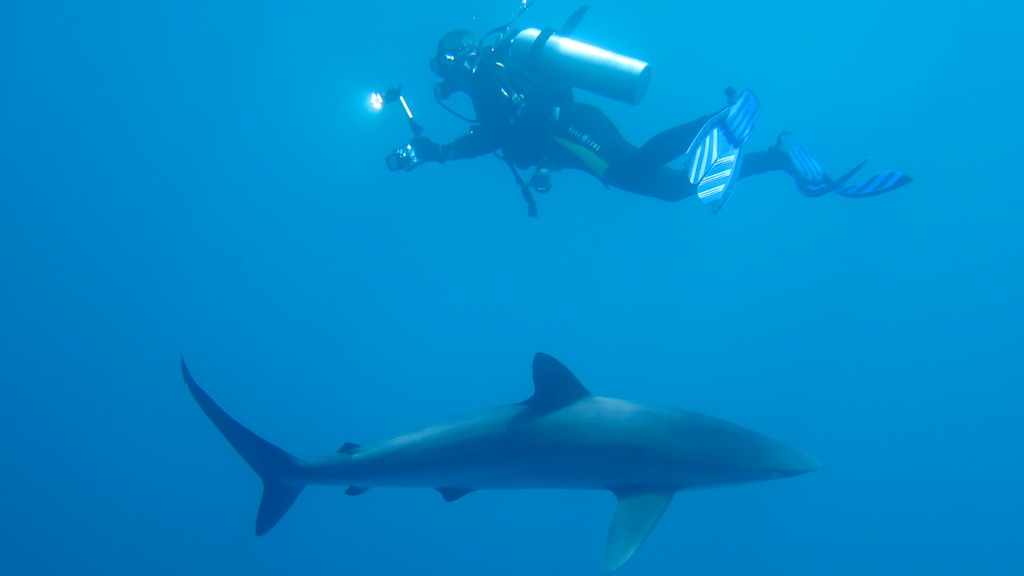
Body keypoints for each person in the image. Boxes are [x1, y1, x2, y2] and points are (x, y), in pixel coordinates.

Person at [394, 28, 912, 216]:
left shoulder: (487, 76)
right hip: (568, 136)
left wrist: (439, 152)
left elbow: (496, 134)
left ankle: (720, 118)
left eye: (444, 66)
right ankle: (779, 156)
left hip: (567, 129)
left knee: (634, 167)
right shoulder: (491, 77)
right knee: (672, 189)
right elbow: (500, 133)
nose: (444, 77)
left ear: (458, 57)